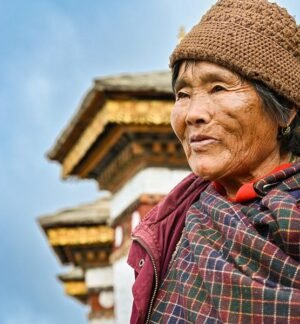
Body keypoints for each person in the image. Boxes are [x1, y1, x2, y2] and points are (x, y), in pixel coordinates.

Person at [127, 0, 300, 323]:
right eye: (182, 95)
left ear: (285, 109)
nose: (193, 114)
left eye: (218, 88)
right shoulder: (175, 224)